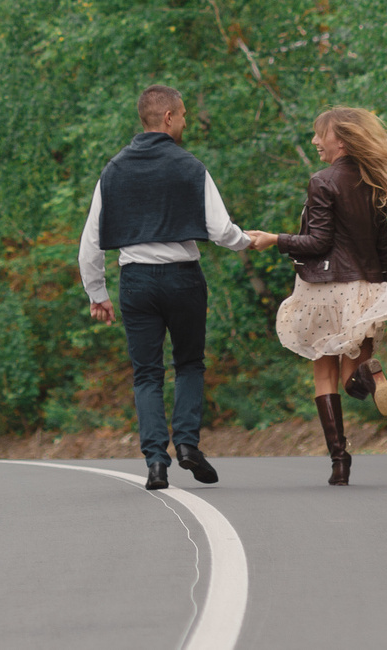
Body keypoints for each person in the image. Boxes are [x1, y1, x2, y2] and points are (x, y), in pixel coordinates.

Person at [78, 84, 264, 491]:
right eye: (181, 115)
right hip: (183, 279)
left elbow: (90, 242)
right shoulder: (188, 166)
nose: (184, 122)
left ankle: (156, 463)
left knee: (147, 373)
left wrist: (98, 294)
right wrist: (249, 241)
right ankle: (187, 444)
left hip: (137, 282)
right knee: (189, 363)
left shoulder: (113, 170)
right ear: (167, 118)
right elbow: (219, 229)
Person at [247, 106, 387, 486]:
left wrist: (275, 239)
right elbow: (382, 244)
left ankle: (340, 462)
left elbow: (318, 242)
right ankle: (369, 376)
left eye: (318, 135)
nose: (314, 141)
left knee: (324, 374)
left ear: (338, 140)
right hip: (366, 288)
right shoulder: (373, 181)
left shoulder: (322, 181)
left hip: (324, 290)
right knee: (350, 376)